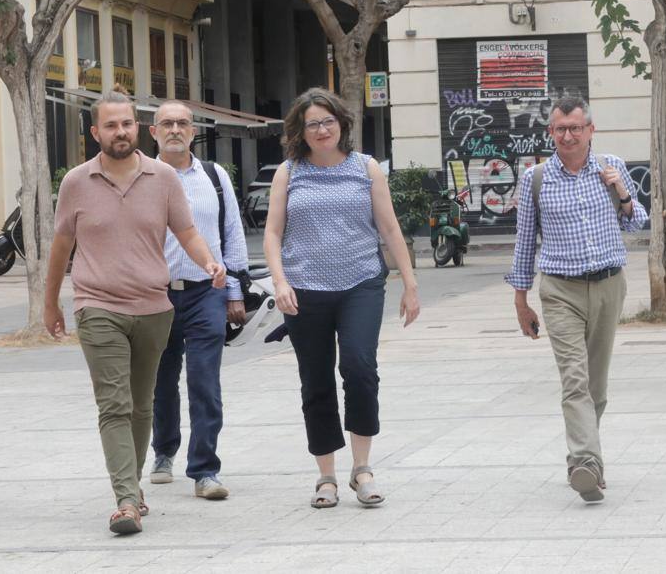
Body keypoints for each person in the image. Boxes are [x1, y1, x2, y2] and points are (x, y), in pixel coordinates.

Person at [43, 90, 226, 535]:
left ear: (138, 128)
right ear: (95, 132)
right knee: (115, 404)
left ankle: (133, 485)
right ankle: (125, 499)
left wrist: (209, 261)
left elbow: (186, 230)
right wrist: (50, 302)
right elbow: (62, 247)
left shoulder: (164, 178)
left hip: (152, 307)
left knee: (142, 406)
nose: (119, 132)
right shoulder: (76, 183)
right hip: (97, 305)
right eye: (110, 125)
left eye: (125, 123)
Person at [264, 87, 420, 509]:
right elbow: (273, 233)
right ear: (300, 130)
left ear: (342, 124)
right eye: (312, 123)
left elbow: (388, 228)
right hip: (304, 289)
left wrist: (409, 282)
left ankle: (363, 469)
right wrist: (280, 282)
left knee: (359, 367)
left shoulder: (365, 168)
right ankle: (326, 475)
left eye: (327, 121)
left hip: (360, 284)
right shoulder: (288, 172)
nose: (321, 129)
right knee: (315, 380)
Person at [505, 95, 648, 504]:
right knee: (575, 378)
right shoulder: (536, 178)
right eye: (560, 129)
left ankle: (583, 459)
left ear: (590, 130)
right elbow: (524, 243)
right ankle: (586, 462)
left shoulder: (612, 167)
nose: (568, 135)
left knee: (596, 385)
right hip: (559, 290)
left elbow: (637, 220)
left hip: (608, 285)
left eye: (576, 128)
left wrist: (620, 190)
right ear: (551, 132)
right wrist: (521, 300)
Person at [146, 101, 248, 500]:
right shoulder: (143, 175)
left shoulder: (214, 176)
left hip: (208, 291)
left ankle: (205, 469)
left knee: (205, 380)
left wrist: (235, 292)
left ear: (193, 131)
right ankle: (163, 451)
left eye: (183, 123)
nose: (175, 129)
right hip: (156, 293)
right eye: (167, 123)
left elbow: (232, 234)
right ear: (153, 132)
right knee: (161, 380)